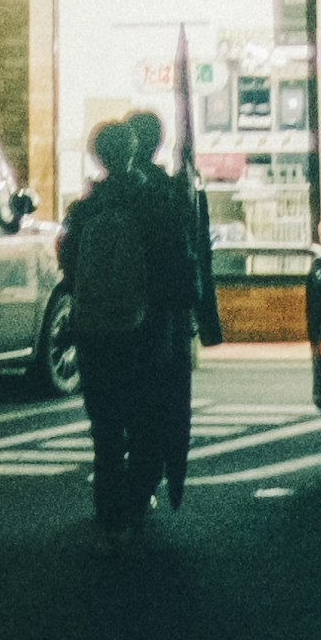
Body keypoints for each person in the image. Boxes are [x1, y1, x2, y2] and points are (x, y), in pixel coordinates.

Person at [61, 113, 167, 545]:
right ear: (133, 151)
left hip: (93, 328)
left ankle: (108, 508)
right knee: (144, 417)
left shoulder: (83, 209)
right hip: (140, 328)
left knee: (105, 425)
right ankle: (137, 502)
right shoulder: (152, 205)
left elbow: (68, 269)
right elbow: (169, 268)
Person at [138, 130, 223, 515]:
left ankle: (115, 506)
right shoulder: (170, 193)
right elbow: (189, 258)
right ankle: (146, 482)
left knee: (114, 414)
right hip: (163, 317)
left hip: (107, 323)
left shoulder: (97, 198)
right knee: (162, 405)